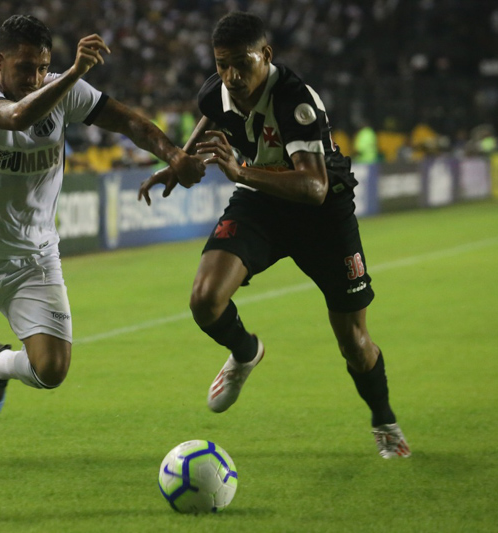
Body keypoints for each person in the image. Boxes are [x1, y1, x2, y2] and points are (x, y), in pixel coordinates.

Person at [0, 15, 205, 463]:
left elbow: (131, 123)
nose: (33, 78)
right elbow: (16, 117)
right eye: (24, 67)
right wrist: (72, 74)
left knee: (52, 370)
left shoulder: (63, 89)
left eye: (41, 68)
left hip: (36, 257)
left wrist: (175, 155)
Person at [139, 12, 410, 459]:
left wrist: (240, 170)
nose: (231, 76)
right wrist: (180, 160)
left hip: (324, 215)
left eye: (241, 64)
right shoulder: (218, 90)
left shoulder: (294, 100)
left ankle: (384, 421)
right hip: (261, 204)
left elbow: (314, 187)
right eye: (222, 64)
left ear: (265, 55)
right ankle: (246, 353)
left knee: (354, 344)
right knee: (205, 299)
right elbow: (211, 114)